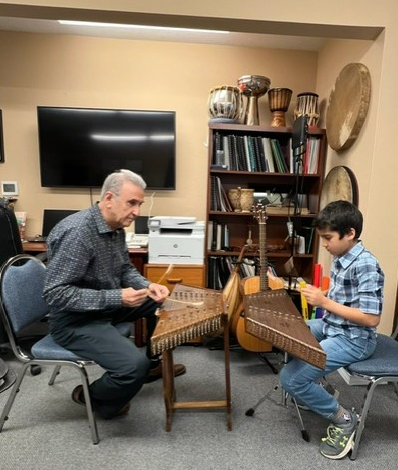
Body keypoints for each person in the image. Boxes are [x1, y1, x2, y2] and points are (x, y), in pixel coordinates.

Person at [43, 169, 186, 420]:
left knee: (162, 303)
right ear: (109, 198)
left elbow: (124, 269)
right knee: (132, 368)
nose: (137, 211)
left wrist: (148, 285)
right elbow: (55, 294)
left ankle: (153, 365)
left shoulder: (116, 226)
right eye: (132, 203)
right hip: (74, 320)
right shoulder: (78, 234)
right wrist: (117, 298)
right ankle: (93, 397)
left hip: (106, 305)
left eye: (139, 204)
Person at [279, 200, 384, 460]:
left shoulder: (366, 265)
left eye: (328, 238)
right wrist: (322, 294)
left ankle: (345, 419)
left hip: (354, 339)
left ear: (350, 233)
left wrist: (324, 302)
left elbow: (371, 319)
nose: (325, 244)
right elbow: (346, 296)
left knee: (290, 378)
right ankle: (313, 388)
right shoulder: (342, 255)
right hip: (332, 326)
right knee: (291, 333)